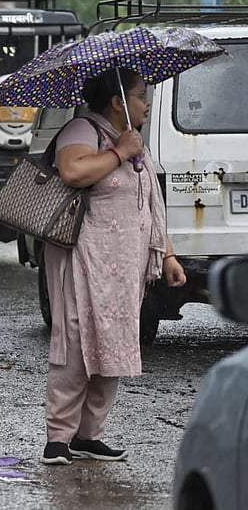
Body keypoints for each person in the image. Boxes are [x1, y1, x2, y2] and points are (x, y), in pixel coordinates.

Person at [40, 67, 187, 465]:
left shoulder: (134, 141)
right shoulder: (82, 131)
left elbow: (148, 206)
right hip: (84, 260)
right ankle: (58, 437)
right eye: (142, 96)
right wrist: (120, 153)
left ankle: (89, 435)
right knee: (77, 342)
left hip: (124, 267)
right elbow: (71, 171)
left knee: (114, 346)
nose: (148, 103)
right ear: (119, 101)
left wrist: (168, 255)